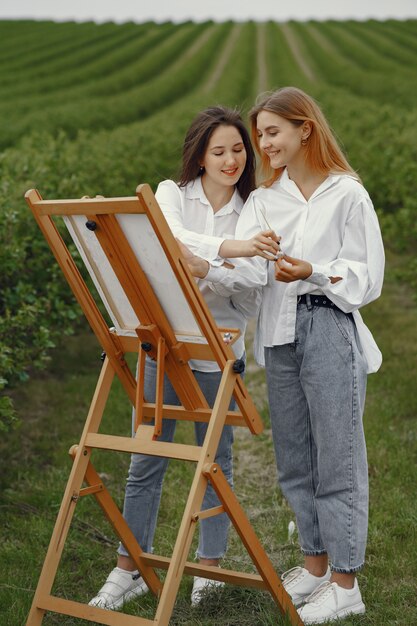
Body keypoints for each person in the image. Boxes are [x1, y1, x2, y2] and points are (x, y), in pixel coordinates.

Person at [191, 87, 384, 623]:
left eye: (271, 132)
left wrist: (314, 272)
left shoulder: (347, 194)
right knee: (294, 460)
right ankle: (316, 567)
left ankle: (346, 584)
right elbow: (253, 271)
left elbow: (368, 276)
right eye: (260, 135)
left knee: (337, 459)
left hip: (327, 324)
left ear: (305, 128)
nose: (262, 145)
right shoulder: (264, 199)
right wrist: (205, 267)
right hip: (277, 334)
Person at [89, 106, 276, 611]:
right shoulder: (171, 195)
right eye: (219, 150)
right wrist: (228, 252)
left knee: (216, 461)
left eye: (239, 149)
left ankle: (209, 567)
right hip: (164, 344)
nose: (231, 159)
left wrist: (205, 269)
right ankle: (130, 566)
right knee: (146, 455)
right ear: (199, 154)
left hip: (218, 352)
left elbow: (257, 284)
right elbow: (167, 236)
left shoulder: (256, 205)